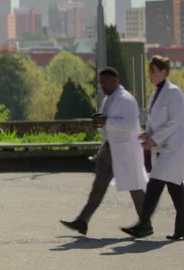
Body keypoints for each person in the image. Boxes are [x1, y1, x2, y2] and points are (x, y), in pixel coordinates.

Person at [60, 67, 147, 235]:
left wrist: (106, 121)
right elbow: (107, 123)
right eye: (100, 83)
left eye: (105, 82)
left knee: (134, 187)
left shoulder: (126, 99)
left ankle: (145, 223)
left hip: (125, 150)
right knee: (98, 186)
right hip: (109, 148)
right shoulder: (108, 100)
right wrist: (100, 124)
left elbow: (129, 124)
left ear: (115, 80)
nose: (102, 86)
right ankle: (82, 221)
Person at [124, 56, 184, 240]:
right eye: (150, 71)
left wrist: (154, 139)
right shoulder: (156, 94)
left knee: (154, 186)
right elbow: (154, 120)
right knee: (176, 189)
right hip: (163, 150)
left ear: (164, 72)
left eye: (153, 71)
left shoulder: (174, 93)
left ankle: (143, 225)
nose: (150, 75)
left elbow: (174, 122)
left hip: (172, 149)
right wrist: (147, 133)